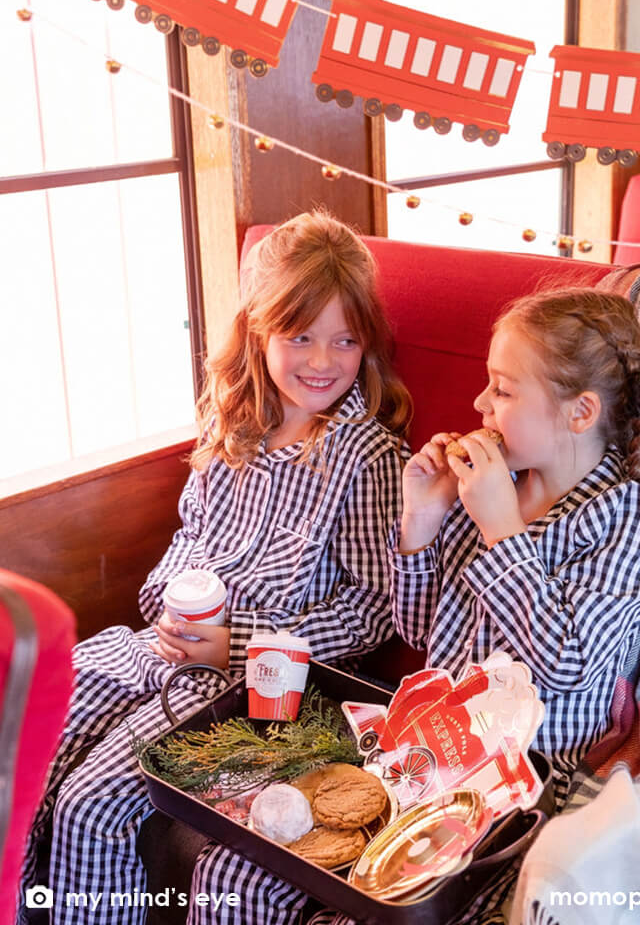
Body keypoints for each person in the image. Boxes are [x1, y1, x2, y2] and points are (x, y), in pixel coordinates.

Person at [17, 210, 411, 925]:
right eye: (299, 337)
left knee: (89, 805)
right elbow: (191, 536)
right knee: (25, 750)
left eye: (344, 340)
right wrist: (169, 600)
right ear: (257, 333)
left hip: (261, 685)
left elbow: (372, 609)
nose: (323, 361)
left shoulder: (368, 458)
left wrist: (240, 639)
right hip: (162, 652)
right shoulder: (236, 423)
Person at [385, 288, 640, 923]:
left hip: (538, 780)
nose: (478, 405)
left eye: (503, 390)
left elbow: (569, 663)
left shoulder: (629, 514)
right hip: (438, 753)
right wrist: (422, 520)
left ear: (580, 413)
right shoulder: (494, 484)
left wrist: (500, 529)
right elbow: (416, 630)